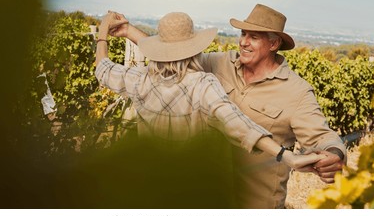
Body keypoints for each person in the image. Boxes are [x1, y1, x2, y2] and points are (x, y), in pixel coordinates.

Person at [108, 4, 347, 209]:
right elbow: (173, 54)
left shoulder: (296, 91)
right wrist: (129, 31)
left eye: (253, 37)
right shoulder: (219, 63)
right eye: (243, 34)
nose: (243, 42)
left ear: (274, 44)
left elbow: (322, 136)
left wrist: (334, 155)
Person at [95, 11, 323, 170]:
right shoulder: (204, 84)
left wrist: (103, 33)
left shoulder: (140, 79)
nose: (244, 42)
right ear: (194, 46)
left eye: (253, 36)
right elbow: (238, 124)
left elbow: (103, 70)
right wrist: (285, 155)